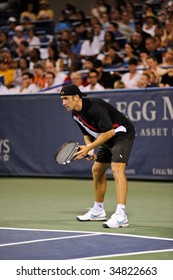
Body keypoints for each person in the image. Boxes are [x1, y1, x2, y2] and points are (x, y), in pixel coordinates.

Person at [59, 84, 135, 228]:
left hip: (121, 134)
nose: (63, 103)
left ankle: (121, 215)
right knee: (97, 170)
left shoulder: (94, 107)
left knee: (117, 168)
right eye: (61, 99)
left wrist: (89, 147)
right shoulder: (75, 114)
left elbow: (110, 132)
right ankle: (98, 210)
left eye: (66, 99)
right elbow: (87, 133)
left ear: (76, 97)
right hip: (106, 137)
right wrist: (89, 149)